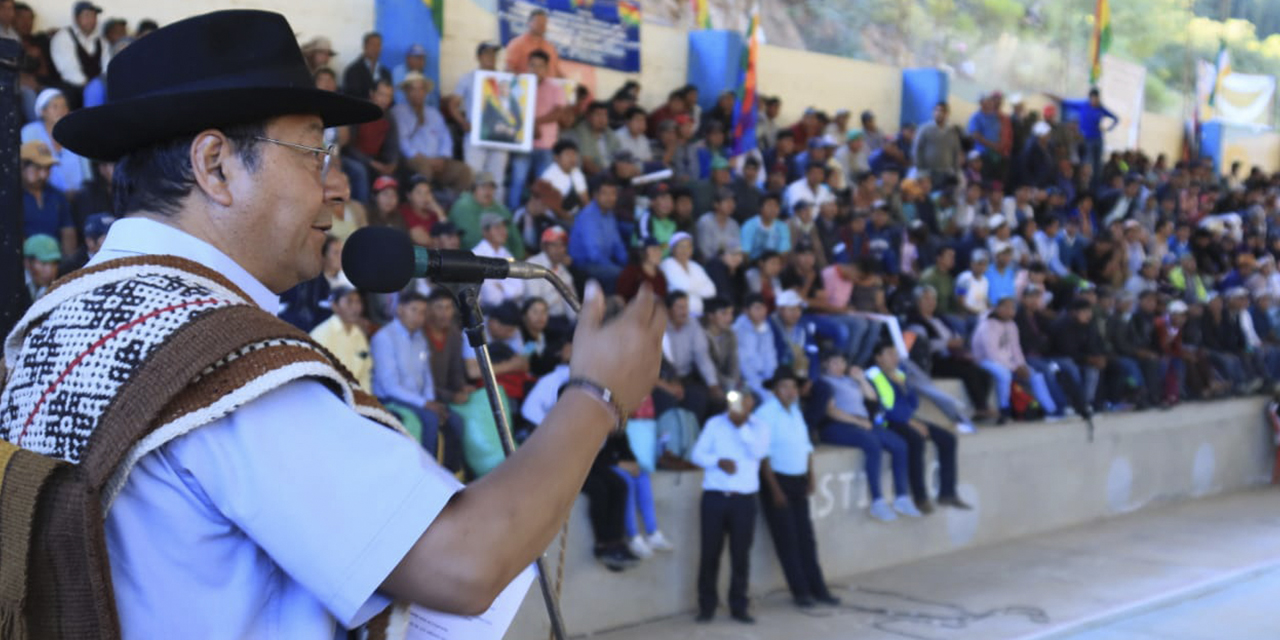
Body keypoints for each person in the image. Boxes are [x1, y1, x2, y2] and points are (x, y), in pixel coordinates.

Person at [0, 12, 668, 636]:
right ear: (216, 165)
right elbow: (463, 564)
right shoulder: (212, 362)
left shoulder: (52, 321)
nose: (338, 187)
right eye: (313, 153)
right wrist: (595, 395)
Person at [754, 365, 840, 608]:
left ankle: (819, 588)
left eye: (793, 386)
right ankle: (800, 592)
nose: (791, 391)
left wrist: (811, 476)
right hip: (777, 482)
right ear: (775, 390)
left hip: (799, 480)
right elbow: (763, 456)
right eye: (785, 387)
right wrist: (775, 490)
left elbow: (806, 447)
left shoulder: (795, 411)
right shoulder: (765, 414)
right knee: (787, 540)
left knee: (806, 538)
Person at [810, 351, 917, 521]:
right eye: (834, 363)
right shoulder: (824, 383)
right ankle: (877, 501)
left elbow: (872, 397)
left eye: (842, 362)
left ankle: (901, 497)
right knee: (872, 444)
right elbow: (831, 411)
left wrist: (861, 379)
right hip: (838, 425)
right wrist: (857, 422)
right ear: (825, 365)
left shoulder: (848, 381)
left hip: (861, 422)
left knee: (899, 445)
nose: (839, 366)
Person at [691, 390, 768, 624]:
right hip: (715, 497)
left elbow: (759, 452)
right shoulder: (714, 423)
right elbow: (697, 455)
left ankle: (739, 605)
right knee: (709, 554)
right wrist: (717, 461)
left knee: (740, 555)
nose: (737, 405)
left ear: (750, 403)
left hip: (744, 500)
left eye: (743, 401)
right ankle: (707, 606)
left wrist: (741, 427)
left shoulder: (760, 427)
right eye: (733, 401)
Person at [867, 343, 971, 513]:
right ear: (878, 357)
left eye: (896, 354)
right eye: (890, 353)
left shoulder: (899, 374)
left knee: (948, 439)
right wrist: (908, 421)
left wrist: (904, 387)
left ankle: (948, 492)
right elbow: (882, 407)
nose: (895, 358)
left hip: (906, 418)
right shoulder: (873, 376)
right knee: (916, 440)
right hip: (886, 422)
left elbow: (913, 403)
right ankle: (920, 497)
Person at [371, 292, 467, 468]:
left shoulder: (419, 337)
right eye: (414, 310)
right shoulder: (384, 337)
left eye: (423, 312)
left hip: (418, 399)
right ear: (400, 310)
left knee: (456, 420)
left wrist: (430, 400)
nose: (419, 317)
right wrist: (425, 403)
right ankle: (426, 473)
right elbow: (390, 386)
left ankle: (452, 472)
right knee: (431, 418)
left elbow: (426, 375)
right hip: (390, 398)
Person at [972, 296, 1059, 421]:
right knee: (1004, 375)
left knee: (1035, 375)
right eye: (1005, 307)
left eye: (1012, 308)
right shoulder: (987, 324)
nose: (1009, 311)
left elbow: (1016, 349)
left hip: (1008, 362)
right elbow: (991, 353)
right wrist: (1014, 367)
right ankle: (1004, 410)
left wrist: (1022, 365)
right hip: (984, 361)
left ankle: (1051, 410)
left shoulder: (1012, 324)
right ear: (997, 309)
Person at [507, 50, 569, 211]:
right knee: (518, 181)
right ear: (527, 66)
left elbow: (559, 113)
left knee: (543, 186)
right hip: (522, 144)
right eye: (532, 65)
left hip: (546, 146)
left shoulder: (555, 88)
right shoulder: (519, 85)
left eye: (540, 66)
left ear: (547, 68)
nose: (536, 69)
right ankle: (514, 216)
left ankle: (541, 218)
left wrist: (534, 121)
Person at [393, 72, 472, 193]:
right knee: (424, 168)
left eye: (421, 89)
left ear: (425, 92)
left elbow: (445, 137)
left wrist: (443, 157)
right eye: (413, 90)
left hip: (439, 160)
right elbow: (402, 142)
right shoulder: (399, 112)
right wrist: (424, 159)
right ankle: (426, 204)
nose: (418, 93)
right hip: (414, 159)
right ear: (406, 93)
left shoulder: (433, 113)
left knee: (464, 171)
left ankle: (453, 206)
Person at [454, 42, 509, 197]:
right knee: (472, 176)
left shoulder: (505, 79)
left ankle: (496, 217)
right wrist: (462, 122)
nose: (491, 57)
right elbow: (453, 104)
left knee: (497, 179)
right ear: (478, 57)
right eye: (487, 54)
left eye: (493, 54)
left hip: (500, 136)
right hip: (475, 136)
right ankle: (471, 213)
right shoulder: (467, 78)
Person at [21, 88, 90, 197]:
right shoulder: (31, 131)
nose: (61, 111)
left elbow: (87, 174)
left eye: (64, 106)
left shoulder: (76, 132)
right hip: (47, 195)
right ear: (43, 112)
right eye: (55, 106)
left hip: (80, 196)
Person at [568, 178, 628, 292]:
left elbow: (617, 245)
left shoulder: (610, 215)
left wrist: (628, 265)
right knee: (620, 275)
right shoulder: (588, 216)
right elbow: (594, 254)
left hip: (603, 262)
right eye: (605, 194)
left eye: (613, 194)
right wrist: (620, 269)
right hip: (584, 266)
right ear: (595, 195)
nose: (610, 198)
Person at [310, 286, 373, 391]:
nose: (355, 307)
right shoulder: (322, 334)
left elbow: (364, 373)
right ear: (335, 306)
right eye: (349, 302)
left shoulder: (359, 334)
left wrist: (366, 398)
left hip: (356, 395)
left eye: (358, 302)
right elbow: (320, 377)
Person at [49, 1, 111, 107]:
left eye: (94, 16)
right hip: (74, 89)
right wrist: (92, 89)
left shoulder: (101, 41)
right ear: (76, 18)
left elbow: (107, 68)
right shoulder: (63, 37)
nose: (92, 20)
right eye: (87, 16)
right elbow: (70, 71)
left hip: (97, 88)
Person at [20, 141, 75, 256]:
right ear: (22, 166)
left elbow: (68, 231)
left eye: (48, 168)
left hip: (55, 262)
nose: (43, 175)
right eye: (38, 168)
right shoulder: (12, 197)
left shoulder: (57, 196)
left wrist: (67, 266)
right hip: (22, 263)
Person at [525, 226, 577, 331]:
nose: (559, 249)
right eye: (554, 245)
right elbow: (534, 302)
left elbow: (572, 306)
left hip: (562, 321)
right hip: (541, 320)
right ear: (545, 247)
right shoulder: (533, 265)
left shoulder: (565, 273)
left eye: (562, 245)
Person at [473, 212, 525, 308]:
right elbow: (491, 298)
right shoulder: (477, 255)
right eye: (497, 228)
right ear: (485, 232)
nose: (503, 231)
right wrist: (508, 288)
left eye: (504, 227)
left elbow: (520, 288)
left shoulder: (506, 253)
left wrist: (502, 287)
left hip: (510, 309)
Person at [660, 231, 717, 317]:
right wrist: (700, 286)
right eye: (681, 247)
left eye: (688, 247)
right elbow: (682, 286)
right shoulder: (667, 264)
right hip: (676, 315)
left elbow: (711, 290)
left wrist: (692, 289)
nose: (685, 250)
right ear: (673, 249)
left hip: (698, 314)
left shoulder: (695, 266)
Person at [734, 294, 778, 398]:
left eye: (763, 308)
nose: (761, 312)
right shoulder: (738, 330)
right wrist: (761, 389)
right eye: (757, 308)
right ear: (746, 310)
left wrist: (773, 381)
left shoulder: (766, 328)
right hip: (746, 381)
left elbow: (770, 355)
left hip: (765, 379)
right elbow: (744, 365)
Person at [505, 8, 563, 76]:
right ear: (529, 23)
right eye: (538, 22)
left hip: (549, 85)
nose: (541, 25)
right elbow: (509, 69)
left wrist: (569, 83)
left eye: (544, 23)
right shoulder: (517, 44)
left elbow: (556, 71)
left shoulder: (550, 47)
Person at [342, 31, 391, 100]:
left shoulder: (385, 73)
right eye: (372, 44)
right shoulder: (353, 70)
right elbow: (352, 96)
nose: (376, 48)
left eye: (378, 45)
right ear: (364, 46)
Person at [617, 237, 668, 301]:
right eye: (654, 250)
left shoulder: (660, 276)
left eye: (659, 249)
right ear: (642, 253)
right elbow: (621, 298)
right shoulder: (631, 272)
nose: (659, 253)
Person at [22, 233, 60, 303]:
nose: (50, 270)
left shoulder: (58, 289)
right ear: (27, 262)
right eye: (44, 263)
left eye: (54, 263)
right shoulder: (13, 287)